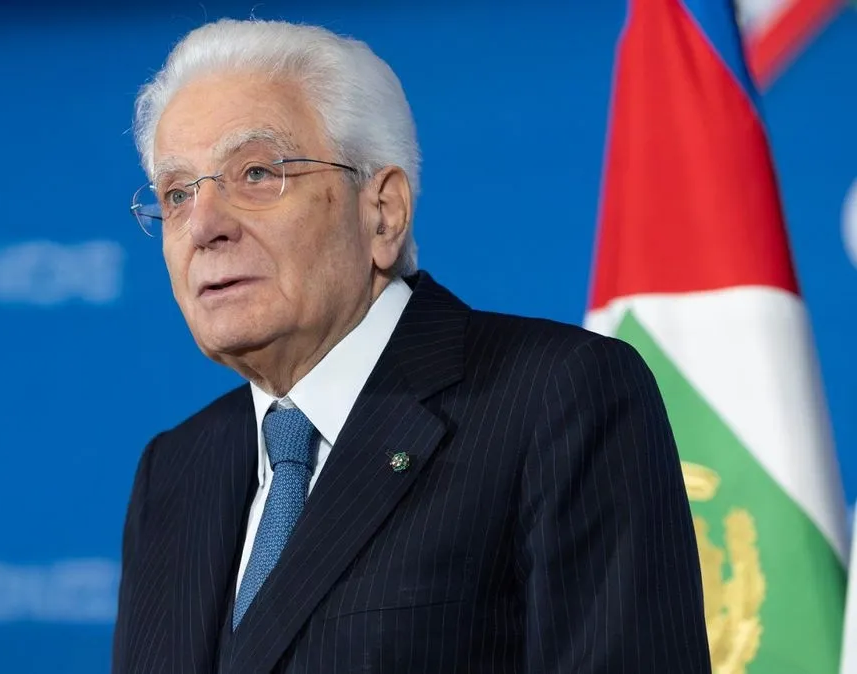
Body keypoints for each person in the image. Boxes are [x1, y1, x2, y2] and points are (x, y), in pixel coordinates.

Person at [112, 17, 711, 674]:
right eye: (177, 194)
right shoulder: (175, 471)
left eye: (256, 173)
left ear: (383, 212)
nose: (203, 225)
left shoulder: (558, 398)